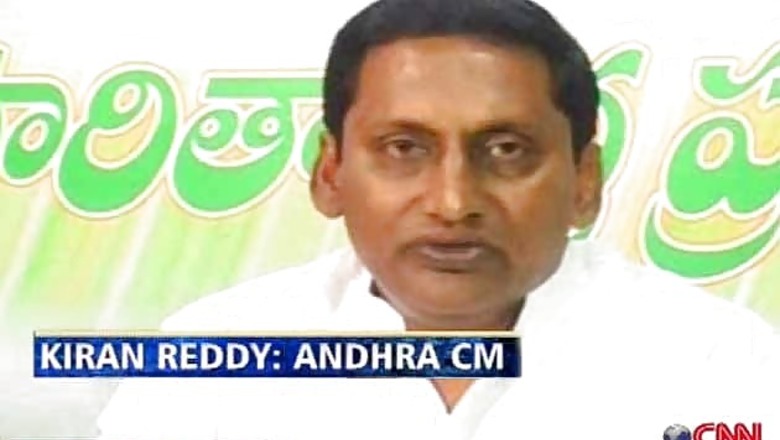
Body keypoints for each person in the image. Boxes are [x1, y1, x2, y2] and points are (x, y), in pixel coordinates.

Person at [97, 0, 779, 439]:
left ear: (585, 182)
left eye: (506, 150)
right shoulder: (210, 365)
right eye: (404, 149)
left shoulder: (721, 362)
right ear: (330, 174)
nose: (454, 203)